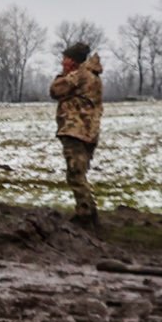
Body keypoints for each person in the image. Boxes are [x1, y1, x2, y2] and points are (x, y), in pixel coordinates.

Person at [50, 40, 104, 227]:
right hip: (89, 131)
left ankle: (85, 214)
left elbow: (55, 90)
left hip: (75, 130)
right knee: (80, 172)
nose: (62, 62)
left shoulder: (79, 76)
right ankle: (89, 211)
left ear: (72, 61)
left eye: (65, 59)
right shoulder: (94, 76)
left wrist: (63, 76)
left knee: (75, 174)